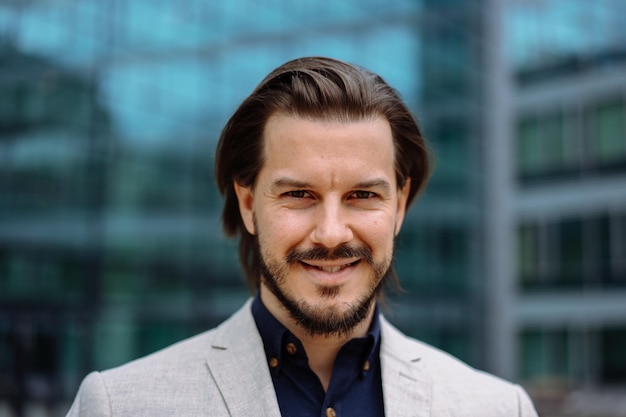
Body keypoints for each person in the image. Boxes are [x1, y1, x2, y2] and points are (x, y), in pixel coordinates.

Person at [66, 57, 538, 416]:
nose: (332, 233)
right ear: (249, 204)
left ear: (399, 204)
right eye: (298, 194)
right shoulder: (119, 406)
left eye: (362, 195)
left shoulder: (497, 407)